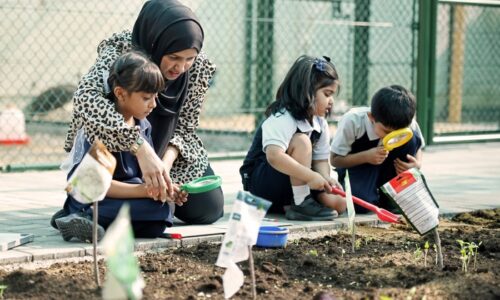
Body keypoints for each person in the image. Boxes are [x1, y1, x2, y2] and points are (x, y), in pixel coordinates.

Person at [50, 0, 224, 230]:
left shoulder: (198, 68)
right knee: (110, 193)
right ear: (157, 42)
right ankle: (82, 207)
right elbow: (86, 99)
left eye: (189, 59)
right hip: (116, 147)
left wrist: (163, 168)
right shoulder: (122, 53)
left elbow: (185, 128)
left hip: (162, 151)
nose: (180, 68)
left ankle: (96, 210)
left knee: (204, 208)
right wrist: (140, 147)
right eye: (173, 57)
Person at [56, 51, 183, 241]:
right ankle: (81, 216)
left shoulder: (143, 125)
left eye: (155, 97)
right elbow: (93, 185)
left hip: (125, 194)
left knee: (162, 213)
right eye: (147, 98)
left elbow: (139, 178)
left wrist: (163, 189)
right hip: (93, 195)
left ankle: (95, 225)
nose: (154, 105)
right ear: (121, 94)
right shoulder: (102, 128)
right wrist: (143, 191)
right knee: (147, 210)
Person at [239, 55, 346, 221]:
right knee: (301, 141)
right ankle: (301, 203)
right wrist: (310, 177)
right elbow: (274, 156)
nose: (331, 101)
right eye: (327, 94)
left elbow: (320, 161)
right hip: (265, 183)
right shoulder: (283, 117)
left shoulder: (320, 123)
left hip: (295, 180)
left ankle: (293, 203)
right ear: (307, 91)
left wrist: (325, 177)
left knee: (339, 204)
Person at [330, 85, 425, 213]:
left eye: (398, 133)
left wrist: (416, 164)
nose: (392, 137)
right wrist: (366, 156)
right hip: (359, 166)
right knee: (360, 205)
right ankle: (371, 194)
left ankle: (390, 196)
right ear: (371, 117)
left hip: (391, 167)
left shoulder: (405, 121)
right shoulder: (353, 121)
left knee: (412, 137)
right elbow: (335, 160)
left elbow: (418, 146)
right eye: (386, 132)